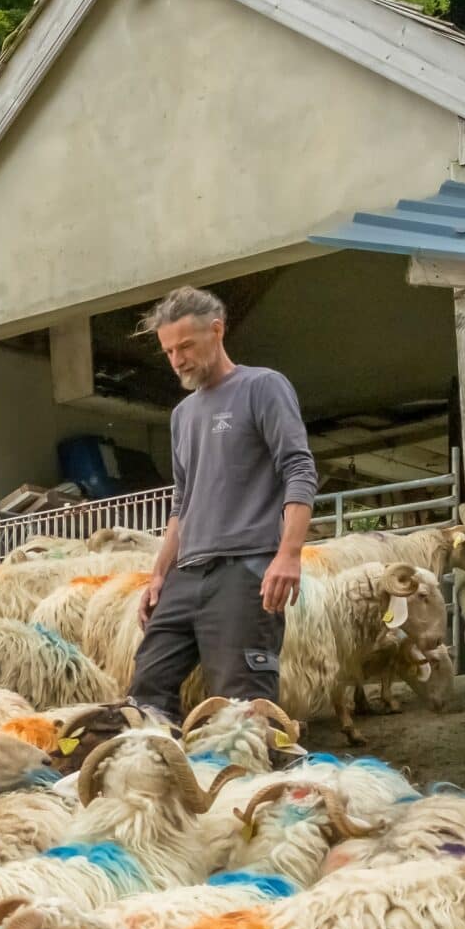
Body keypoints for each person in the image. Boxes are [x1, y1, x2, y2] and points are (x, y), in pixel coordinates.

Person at [127, 286, 317, 720]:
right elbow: (182, 501)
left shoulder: (263, 387)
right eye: (169, 351)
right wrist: (159, 575)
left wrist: (289, 554)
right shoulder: (182, 415)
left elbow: (299, 470)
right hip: (186, 575)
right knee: (144, 694)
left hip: (245, 570)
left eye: (186, 346)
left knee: (242, 711)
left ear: (217, 330)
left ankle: (252, 785)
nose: (177, 360)